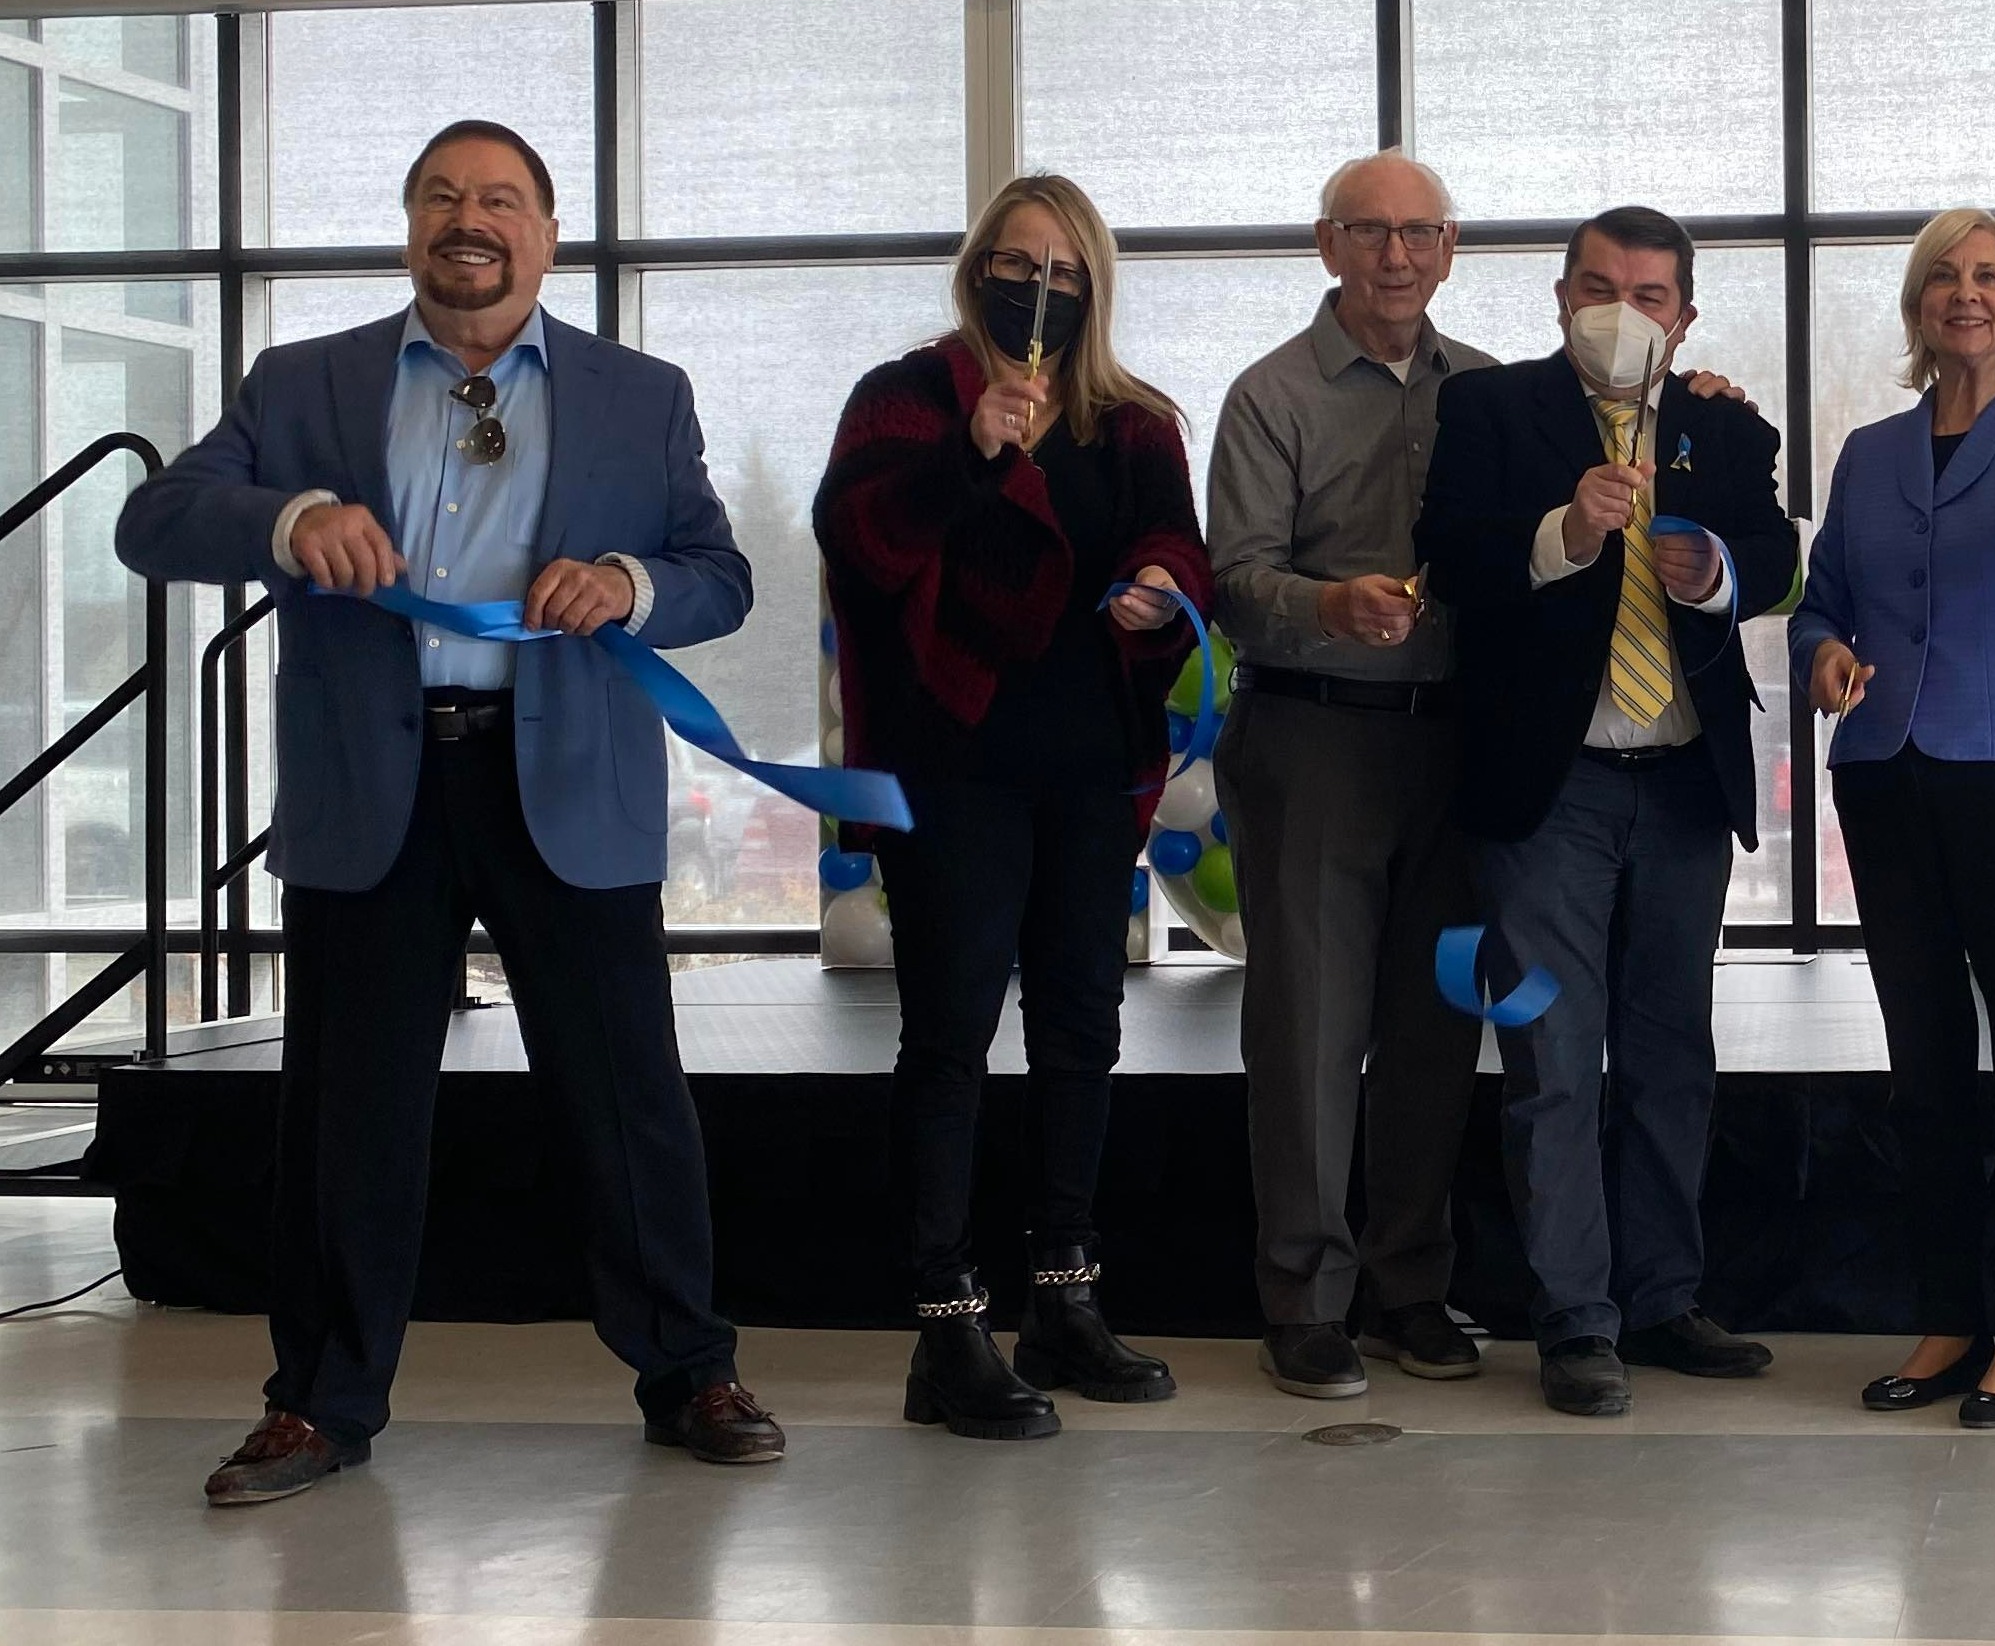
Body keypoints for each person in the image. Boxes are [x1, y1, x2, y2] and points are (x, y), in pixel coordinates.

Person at [117, 120, 783, 1504]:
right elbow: (156, 521)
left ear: (546, 233)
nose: (467, 219)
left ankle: (688, 1371)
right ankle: (318, 1403)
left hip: (568, 788)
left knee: (629, 1102)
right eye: (440, 196)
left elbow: (719, 574)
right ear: (409, 224)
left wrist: (629, 583)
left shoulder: (638, 393)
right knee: (347, 1114)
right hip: (377, 783)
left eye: (498, 199)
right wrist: (291, 517)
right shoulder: (303, 384)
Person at [814, 173, 1214, 1441]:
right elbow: (860, 545)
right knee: (947, 1037)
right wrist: (970, 451)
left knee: (1080, 1033)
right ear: (977, 266)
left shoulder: (1137, 420)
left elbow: (1177, 544)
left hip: (1093, 763)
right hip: (954, 763)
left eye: (1064, 268)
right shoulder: (904, 394)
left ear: (1092, 284)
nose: (1038, 288)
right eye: (1016, 262)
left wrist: (1159, 583)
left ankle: (1063, 1294)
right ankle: (945, 1326)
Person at [1415, 204, 1801, 1418]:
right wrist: (1562, 533)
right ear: (1557, 296)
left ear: (1682, 316)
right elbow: (1451, 559)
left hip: (1684, 781)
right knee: (1552, 1064)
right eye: (1595, 287)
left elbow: (1778, 558)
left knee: (1670, 1056)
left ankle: (1660, 1297)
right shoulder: (1489, 412)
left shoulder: (1724, 426)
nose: (1618, 313)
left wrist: (1721, 575)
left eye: (1645, 295)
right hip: (1551, 786)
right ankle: (1574, 1321)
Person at [1796, 208, 1995, 1430]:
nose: (1964, 293)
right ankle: (1949, 1312)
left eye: (1989, 277)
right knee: (1924, 1067)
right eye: (1943, 276)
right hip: (1885, 767)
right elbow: (1823, 599)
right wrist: (1822, 654)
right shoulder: (1868, 450)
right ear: (1916, 307)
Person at [1207, 150, 1500, 1400]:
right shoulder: (1268, 395)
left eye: (1419, 233)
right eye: (1369, 233)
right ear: (1326, 246)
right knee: (1309, 1033)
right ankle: (1305, 1298)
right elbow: (1232, 581)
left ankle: (1410, 1286)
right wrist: (1327, 604)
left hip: (1458, 748)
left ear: (1448, 248)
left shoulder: (1491, 392)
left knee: (1436, 1024)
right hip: (1312, 738)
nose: (1396, 256)